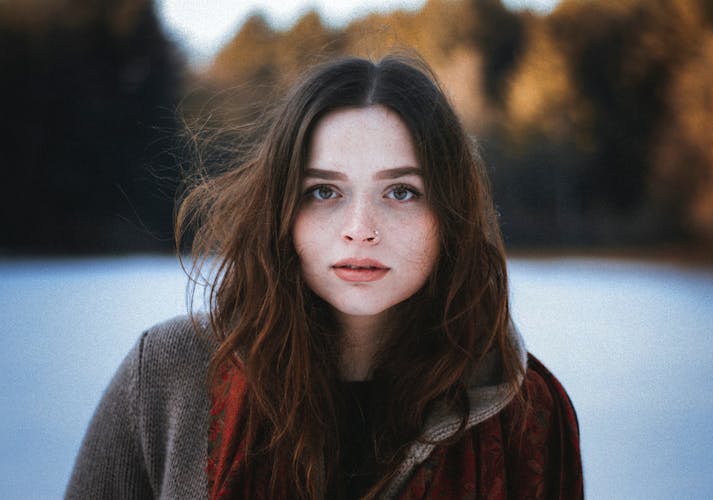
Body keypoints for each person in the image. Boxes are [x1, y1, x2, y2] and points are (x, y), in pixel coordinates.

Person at [66, 53, 583, 499]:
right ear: (282, 209)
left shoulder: (525, 412)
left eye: (401, 191)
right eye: (324, 192)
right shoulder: (169, 375)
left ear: (450, 215)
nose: (360, 231)